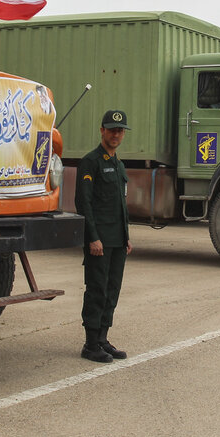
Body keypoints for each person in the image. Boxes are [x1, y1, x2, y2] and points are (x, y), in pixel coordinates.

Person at [75, 109, 133, 363]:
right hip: (100, 240)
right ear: (102, 131)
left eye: (120, 130)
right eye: (111, 130)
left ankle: (102, 339)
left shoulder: (118, 164)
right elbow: (84, 203)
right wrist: (93, 237)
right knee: (97, 290)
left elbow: (121, 204)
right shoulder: (91, 162)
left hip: (117, 240)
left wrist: (127, 236)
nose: (116, 134)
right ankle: (90, 344)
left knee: (112, 290)